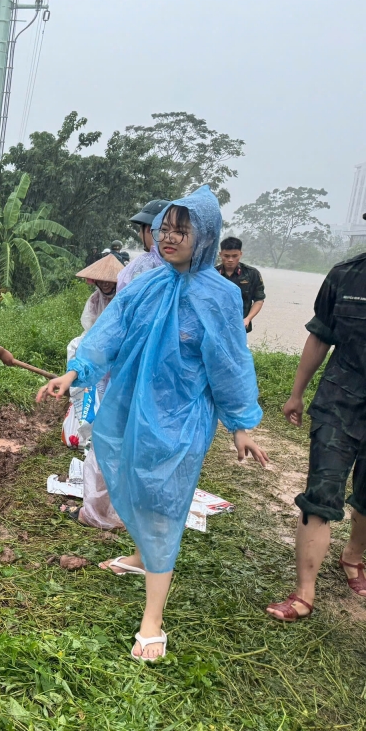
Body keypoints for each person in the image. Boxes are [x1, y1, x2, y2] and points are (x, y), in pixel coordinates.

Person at [36, 186, 269, 662]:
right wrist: (75, 372)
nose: (170, 237)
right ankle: (142, 557)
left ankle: (152, 621)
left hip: (182, 417)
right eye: (165, 228)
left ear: (203, 236)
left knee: (164, 501)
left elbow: (229, 362)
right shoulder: (145, 283)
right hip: (130, 405)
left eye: (181, 230)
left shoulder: (221, 296)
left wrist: (240, 423)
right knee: (132, 482)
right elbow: (109, 331)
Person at [266, 250, 366, 622]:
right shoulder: (345, 275)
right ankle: (304, 593)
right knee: (321, 493)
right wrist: (296, 393)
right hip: (340, 400)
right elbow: (320, 337)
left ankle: (353, 557)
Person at [65, 253, 125, 530]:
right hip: (98, 367)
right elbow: (91, 335)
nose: (105, 285)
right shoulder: (94, 301)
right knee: (99, 411)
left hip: (122, 368)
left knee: (117, 429)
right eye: (100, 280)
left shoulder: (126, 300)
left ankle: (109, 506)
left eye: (109, 281)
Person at [117, 199, 170, 290]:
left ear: (149, 229)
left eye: (140, 229)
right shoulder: (184, 263)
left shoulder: (144, 264)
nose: (139, 234)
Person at [216, 237, 265, 332]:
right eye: (226, 256)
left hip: (240, 327)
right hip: (216, 326)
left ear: (240, 254)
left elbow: (259, 300)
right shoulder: (213, 274)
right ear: (220, 254)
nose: (230, 260)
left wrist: (248, 319)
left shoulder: (252, 274)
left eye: (235, 256)